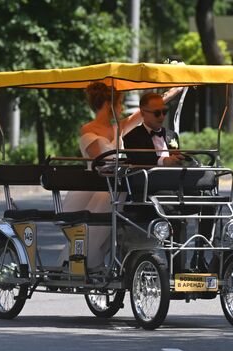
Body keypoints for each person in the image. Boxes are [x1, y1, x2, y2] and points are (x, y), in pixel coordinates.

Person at [57, 83, 182, 269]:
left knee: (116, 228)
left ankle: (117, 266)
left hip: (119, 186)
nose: (122, 109)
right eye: (120, 104)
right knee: (95, 234)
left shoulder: (119, 127)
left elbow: (145, 112)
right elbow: (98, 160)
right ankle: (79, 264)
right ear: (109, 105)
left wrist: (176, 90)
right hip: (98, 187)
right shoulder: (88, 129)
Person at [123, 92, 213, 271]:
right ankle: (178, 268)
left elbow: (176, 158)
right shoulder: (132, 137)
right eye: (157, 113)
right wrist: (163, 162)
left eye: (164, 111)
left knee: (209, 202)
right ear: (143, 112)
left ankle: (200, 256)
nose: (162, 116)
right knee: (173, 210)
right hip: (149, 191)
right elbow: (137, 160)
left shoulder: (171, 135)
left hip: (175, 187)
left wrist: (182, 160)